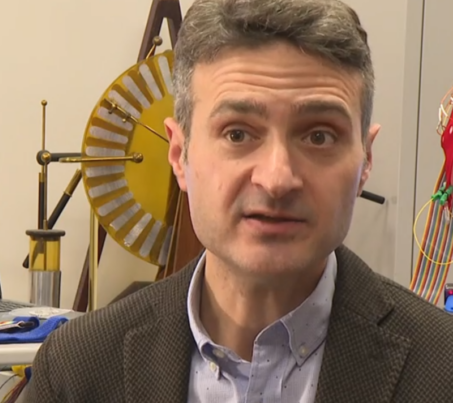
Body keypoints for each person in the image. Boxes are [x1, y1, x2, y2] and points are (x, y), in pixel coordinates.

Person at [24, 0, 453, 401]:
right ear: (179, 154)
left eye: (319, 136)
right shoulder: (76, 371)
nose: (277, 179)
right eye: (238, 133)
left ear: (366, 160)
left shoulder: (442, 367)